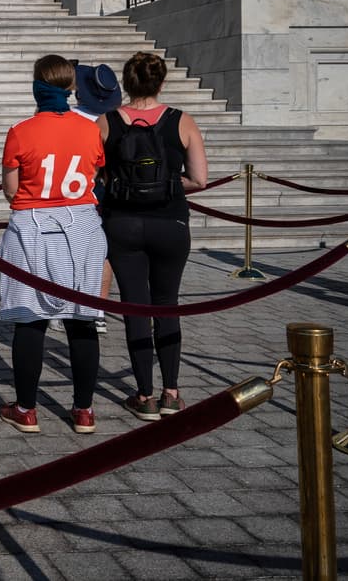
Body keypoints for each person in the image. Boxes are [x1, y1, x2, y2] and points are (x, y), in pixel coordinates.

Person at [0, 55, 106, 435]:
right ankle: (84, 410)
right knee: (83, 321)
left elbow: (11, 189)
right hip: (82, 227)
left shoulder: (21, 130)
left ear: (37, 85)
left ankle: (27, 408)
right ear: (70, 86)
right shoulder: (90, 128)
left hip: (33, 226)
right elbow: (94, 171)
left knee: (30, 321)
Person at [97, 52, 208, 421]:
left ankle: (144, 395)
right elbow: (200, 179)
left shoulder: (106, 121)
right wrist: (166, 185)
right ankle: (171, 392)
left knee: (136, 308)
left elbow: (94, 174)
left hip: (123, 222)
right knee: (167, 304)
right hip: (170, 222)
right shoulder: (182, 121)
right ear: (161, 83)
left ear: (125, 83)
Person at [72, 62, 124, 335]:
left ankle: (69, 305)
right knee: (103, 253)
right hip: (107, 189)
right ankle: (98, 311)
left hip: (76, 191)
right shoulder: (116, 119)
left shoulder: (69, 117)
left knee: (71, 251)